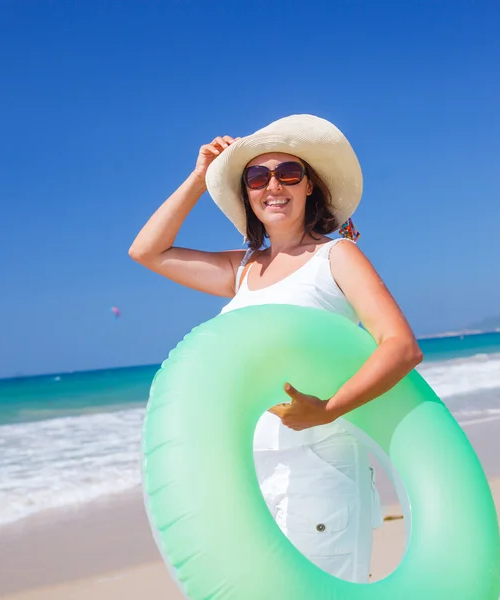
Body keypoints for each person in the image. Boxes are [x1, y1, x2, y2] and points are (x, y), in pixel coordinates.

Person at [129, 114, 423, 583]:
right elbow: (147, 251)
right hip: (254, 470)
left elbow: (401, 347)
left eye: (289, 173)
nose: (273, 186)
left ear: (311, 187)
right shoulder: (242, 270)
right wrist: (199, 177)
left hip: (321, 466)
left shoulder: (336, 257)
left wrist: (327, 409)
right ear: (246, 193)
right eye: (256, 177)